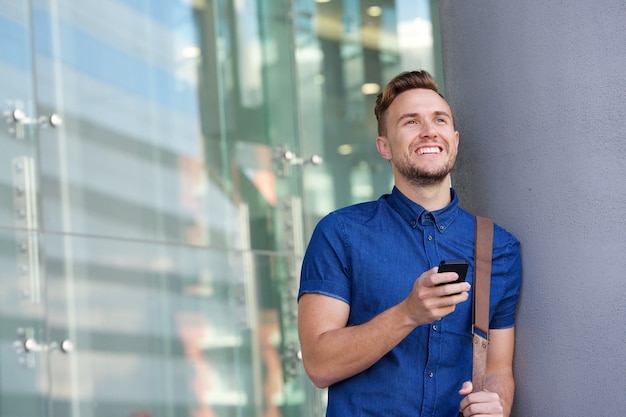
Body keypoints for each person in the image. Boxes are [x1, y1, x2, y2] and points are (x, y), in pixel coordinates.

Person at [297, 70, 522, 417]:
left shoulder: (498, 248)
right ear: (384, 146)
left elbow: (497, 370)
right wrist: (407, 314)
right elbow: (318, 364)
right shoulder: (340, 233)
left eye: (439, 120)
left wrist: (498, 405)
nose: (429, 130)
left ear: (455, 139)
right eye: (411, 122)